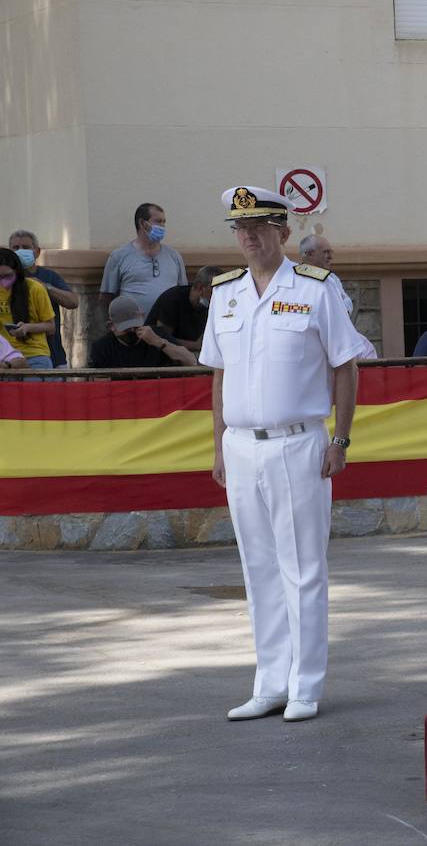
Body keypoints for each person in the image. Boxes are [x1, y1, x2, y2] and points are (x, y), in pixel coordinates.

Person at [200, 186, 361, 723]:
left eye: (259, 227)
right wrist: (218, 442)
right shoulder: (225, 294)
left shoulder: (317, 289)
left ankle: (305, 685)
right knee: (259, 568)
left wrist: (340, 438)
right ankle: (269, 681)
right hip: (242, 446)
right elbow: (220, 374)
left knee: (303, 568)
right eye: (239, 229)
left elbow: (345, 366)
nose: (248, 237)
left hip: (299, 442)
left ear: (283, 233)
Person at [99, 202, 188, 319]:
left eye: (164, 222)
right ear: (142, 223)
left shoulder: (174, 256)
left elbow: (183, 293)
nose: (162, 226)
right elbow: (107, 297)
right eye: (158, 221)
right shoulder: (119, 256)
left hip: (166, 329)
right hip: (132, 329)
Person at [9, 230, 77, 368]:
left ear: (37, 251)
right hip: (12, 357)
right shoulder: (5, 279)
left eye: (26, 247)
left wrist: (46, 288)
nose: (20, 251)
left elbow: (73, 302)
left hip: (53, 355)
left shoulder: (49, 276)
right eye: (16, 248)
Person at [90, 296, 198, 368]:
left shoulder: (157, 334)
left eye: (135, 326)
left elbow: (191, 361)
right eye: (126, 328)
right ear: (111, 326)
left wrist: (160, 343)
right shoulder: (102, 347)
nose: (132, 331)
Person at [0, 247, 56, 369]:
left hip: (34, 356)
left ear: (17, 272)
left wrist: (27, 328)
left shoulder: (35, 289)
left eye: (8, 276)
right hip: (5, 359)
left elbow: (51, 326)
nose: (3, 281)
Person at [145, 265, 223, 353]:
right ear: (199, 287)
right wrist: (197, 346)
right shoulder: (172, 299)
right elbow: (162, 338)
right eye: (215, 290)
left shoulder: (210, 306)